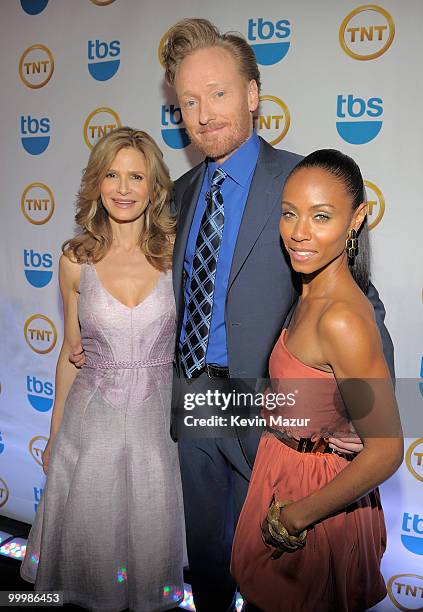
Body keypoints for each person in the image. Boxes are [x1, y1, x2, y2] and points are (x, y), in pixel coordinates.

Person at [161, 19, 396, 612]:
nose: (204, 113)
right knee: (209, 561)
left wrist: (361, 419)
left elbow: (364, 306)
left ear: (252, 95)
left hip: (273, 418)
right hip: (192, 403)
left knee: (278, 577)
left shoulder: (299, 184)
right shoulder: (182, 191)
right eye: (189, 101)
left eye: (217, 93)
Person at [230, 149, 403, 612]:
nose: (299, 233)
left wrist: (298, 517)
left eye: (321, 216)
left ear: (356, 219)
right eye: (289, 214)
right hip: (282, 469)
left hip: (314, 499)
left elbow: (386, 450)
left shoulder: (342, 319)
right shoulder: (307, 289)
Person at [20, 127, 185, 611]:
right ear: (96, 183)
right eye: (112, 175)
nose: (123, 188)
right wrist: (54, 435)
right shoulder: (75, 259)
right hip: (90, 429)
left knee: (150, 556)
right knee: (89, 559)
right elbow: (70, 353)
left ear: (155, 187)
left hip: (159, 429)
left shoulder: (179, 253)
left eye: (137, 176)